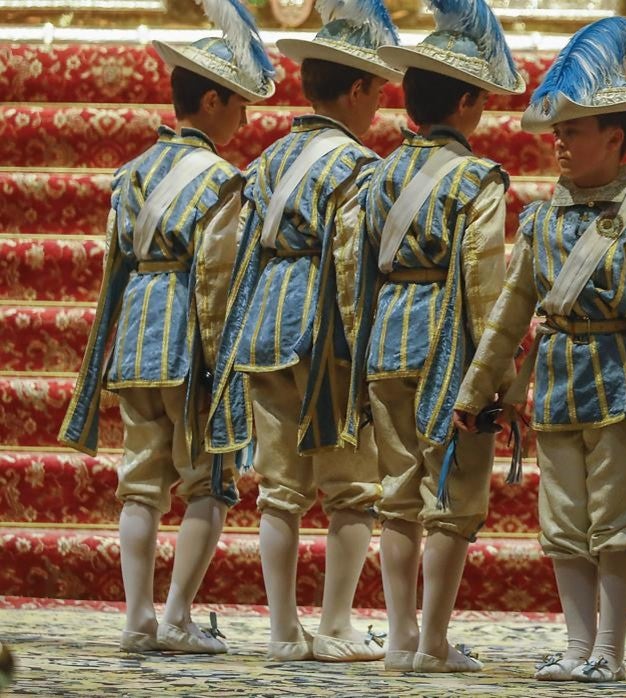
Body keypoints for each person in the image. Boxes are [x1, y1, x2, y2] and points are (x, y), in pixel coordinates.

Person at [453, 17, 626, 684]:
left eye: (574, 131)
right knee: (562, 525)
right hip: (556, 387)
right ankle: (578, 645)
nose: (559, 141)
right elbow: (509, 313)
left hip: (619, 390)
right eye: (558, 130)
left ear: (614, 138)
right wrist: (478, 391)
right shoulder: (541, 222)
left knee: (617, 524)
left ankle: (609, 650)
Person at [58, 0, 275, 655]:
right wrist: (222, 364)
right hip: (187, 341)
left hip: (133, 341)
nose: (244, 116)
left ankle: (136, 619)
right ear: (211, 102)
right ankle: (178, 617)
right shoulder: (221, 180)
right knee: (209, 479)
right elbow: (214, 279)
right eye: (238, 103)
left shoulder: (131, 175)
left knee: (140, 483)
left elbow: (114, 269)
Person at [205, 0, 402, 663]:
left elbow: (234, 252)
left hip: (263, 326)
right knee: (351, 488)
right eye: (375, 90)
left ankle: (284, 632)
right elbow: (353, 264)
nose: (378, 105)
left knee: (280, 491)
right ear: (353, 89)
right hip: (326, 338)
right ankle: (339, 624)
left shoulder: (267, 158)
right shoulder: (358, 166)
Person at [349, 0, 525, 673]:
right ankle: (433, 642)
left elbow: (356, 266)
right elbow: (485, 285)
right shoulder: (476, 177)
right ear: (469, 102)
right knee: (451, 501)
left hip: (385, 339)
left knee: (395, 495)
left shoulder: (378, 171)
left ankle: (398, 639)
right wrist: (497, 377)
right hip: (448, 345)